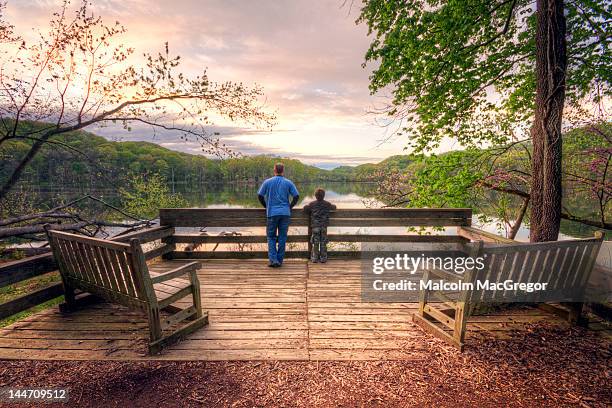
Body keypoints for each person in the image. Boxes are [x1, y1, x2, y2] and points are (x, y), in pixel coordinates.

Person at [257, 163, 299, 267]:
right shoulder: (288, 182)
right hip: (285, 213)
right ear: (283, 171)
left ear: (274, 170)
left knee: (271, 237)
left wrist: (266, 206)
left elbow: (260, 195)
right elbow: (296, 196)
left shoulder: (267, 182)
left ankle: (273, 260)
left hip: (272, 213)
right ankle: (279, 260)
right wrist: (289, 207)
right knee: (282, 237)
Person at [303, 188, 336, 263]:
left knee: (315, 242)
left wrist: (306, 207)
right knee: (323, 242)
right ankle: (323, 258)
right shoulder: (327, 204)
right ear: (324, 196)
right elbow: (334, 207)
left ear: (315, 196)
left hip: (315, 226)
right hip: (324, 226)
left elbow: (305, 209)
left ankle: (315, 258)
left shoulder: (312, 204)